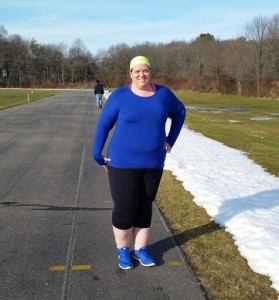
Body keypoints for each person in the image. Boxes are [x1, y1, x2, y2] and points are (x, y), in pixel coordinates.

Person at [92, 55, 186, 270]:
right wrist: (96, 151)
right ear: (130, 73)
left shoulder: (163, 95)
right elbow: (103, 126)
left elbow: (180, 113)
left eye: (145, 70)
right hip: (122, 162)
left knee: (144, 207)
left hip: (153, 162)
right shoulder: (119, 96)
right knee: (125, 208)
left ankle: (141, 249)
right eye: (137, 71)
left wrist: (170, 140)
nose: (141, 74)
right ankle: (123, 249)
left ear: (150, 72)